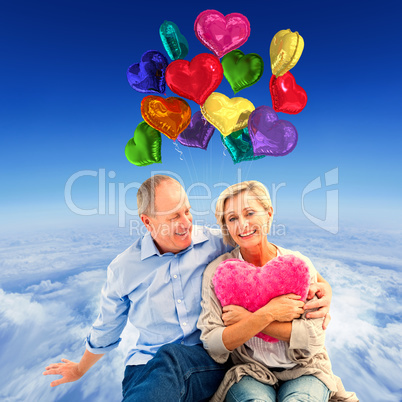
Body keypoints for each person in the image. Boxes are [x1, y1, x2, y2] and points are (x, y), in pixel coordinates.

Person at [43, 175, 333, 401]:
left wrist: (324, 288)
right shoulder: (124, 269)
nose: (186, 224)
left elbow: (275, 257)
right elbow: (107, 326)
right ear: (147, 222)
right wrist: (81, 368)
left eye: (187, 212)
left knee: (171, 358)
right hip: (146, 366)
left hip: (204, 360)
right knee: (159, 369)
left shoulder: (215, 244)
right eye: (173, 218)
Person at [197, 181, 358, 402]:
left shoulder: (296, 267)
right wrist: (268, 313)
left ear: (268, 213)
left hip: (305, 368)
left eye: (250, 213)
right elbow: (214, 344)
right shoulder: (219, 273)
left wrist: (246, 320)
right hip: (250, 372)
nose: (242, 224)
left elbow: (312, 339)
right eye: (232, 218)